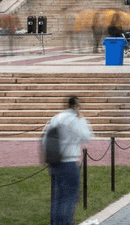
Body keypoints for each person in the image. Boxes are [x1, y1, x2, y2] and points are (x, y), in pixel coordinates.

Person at [43, 96, 93, 225]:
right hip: (69, 162)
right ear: (77, 106)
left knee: (57, 198)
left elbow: (45, 138)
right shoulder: (74, 119)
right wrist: (82, 119)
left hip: (55, 162)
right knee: (69, 198)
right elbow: (86, 136)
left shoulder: (56, 118)